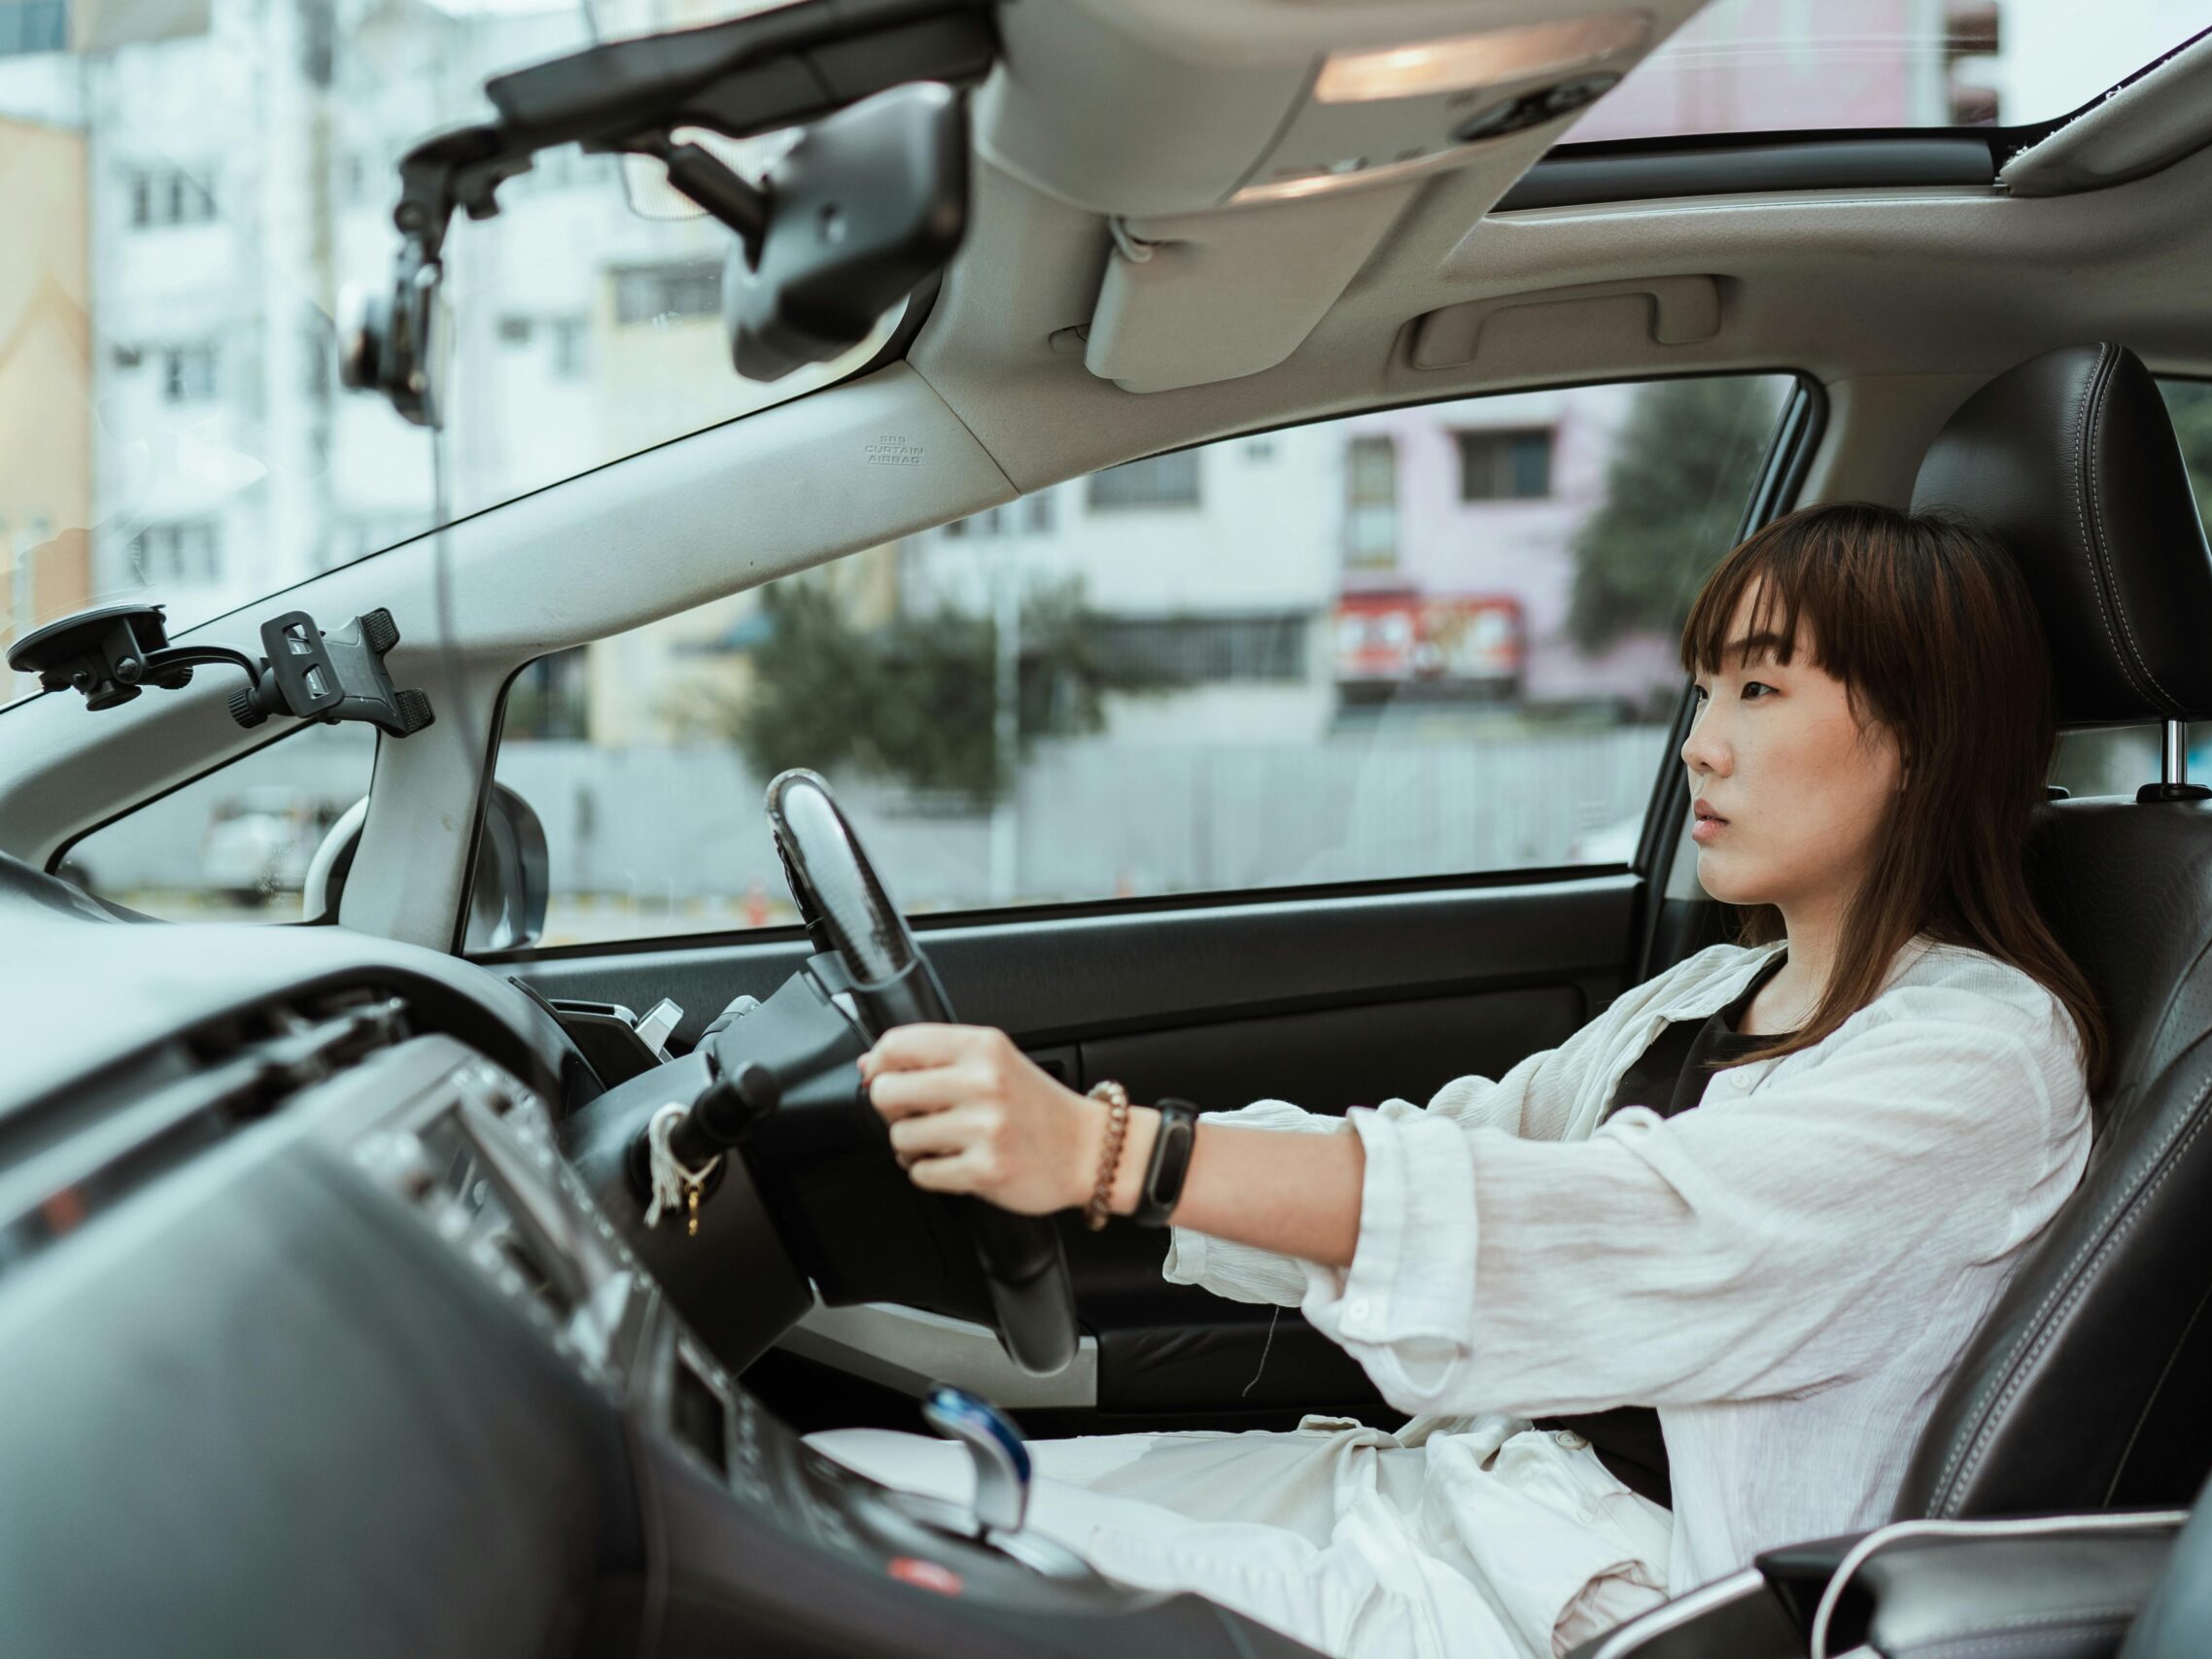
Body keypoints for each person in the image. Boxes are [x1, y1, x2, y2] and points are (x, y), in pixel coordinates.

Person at [808, 501, 2108, 1659]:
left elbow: (1594, 1230)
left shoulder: (1980, 1061)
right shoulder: (1712, 992)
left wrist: (1118, 1156)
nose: (1697, 748)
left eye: (1759, 692)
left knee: (830, 1574)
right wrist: (1116, 1176)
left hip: (1590, 1599)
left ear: (1921, 739)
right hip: (1452, 1498)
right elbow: (1465, 1142)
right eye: (1702, 692)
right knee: (825, 1482)